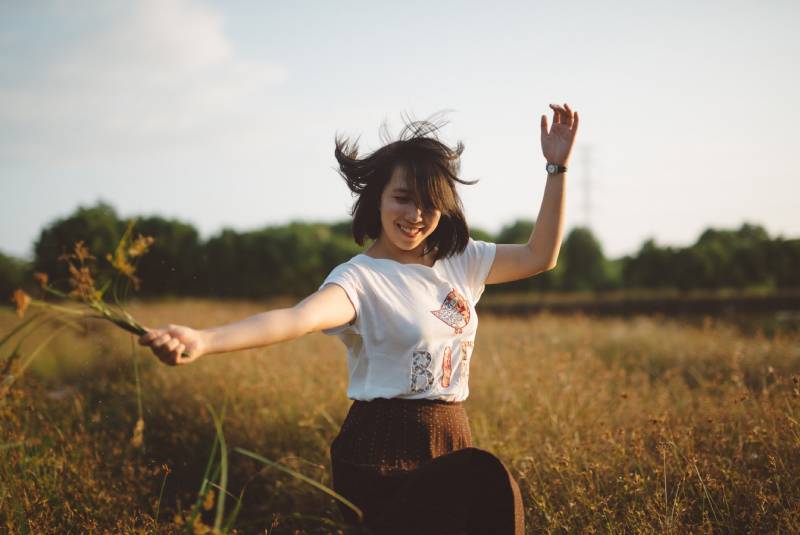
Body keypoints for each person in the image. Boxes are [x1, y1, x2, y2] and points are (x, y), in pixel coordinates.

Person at [139, 104, 579, 534]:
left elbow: (540, 255)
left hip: (450, 437)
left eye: (429, 204)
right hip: (380, 449)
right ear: (378, 199)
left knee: (485, 487)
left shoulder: (461, 260)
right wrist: (203, 339)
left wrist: (556, 170)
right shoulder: (361, 278)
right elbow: (295, 319)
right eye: (402, 199)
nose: (415, 216)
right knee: (487, 477)